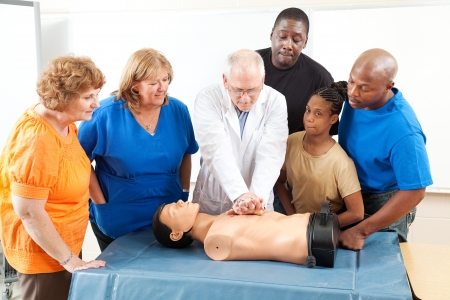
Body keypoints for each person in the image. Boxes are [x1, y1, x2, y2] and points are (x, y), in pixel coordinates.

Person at [0, 55, 106, 300]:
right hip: (43, 255)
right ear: (64, 97)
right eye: (88, 97)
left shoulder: (66, 123)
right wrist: (70, 260)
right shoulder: (37, 139)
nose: (97, 104)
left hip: (62, 245)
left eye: (96, 95)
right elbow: (28, 211)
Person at [78, 48, 198, 251]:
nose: (162, 88)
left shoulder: (178, 110)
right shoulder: (104, 115)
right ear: (134, 84)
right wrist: (100, 204)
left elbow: (187, 152)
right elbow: (80, 162)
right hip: (119, 215)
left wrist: (184, 192)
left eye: (166, 79)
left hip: (168, 216)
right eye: (153, 83)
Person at [338, 48, 433, 250]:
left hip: (384, 202)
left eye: (365, 88)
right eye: (351, 81)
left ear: (388, 86)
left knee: (381, 272)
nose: (353, 92)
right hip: (351, 195)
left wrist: (361, 230)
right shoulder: (353, 98)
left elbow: (416, 191)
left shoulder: (404, 130)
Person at [256, 7, 334, 214]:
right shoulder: (251, 65)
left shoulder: (320, 78)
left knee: (283, 233)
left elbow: (325, 134)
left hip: (290, 173)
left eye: (297, 40)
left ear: (305, 42)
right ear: (272, 34)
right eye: (282, 36)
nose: (287, 45)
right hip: (249, 164)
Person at [192, 49, 288, 215]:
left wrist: (253, 202)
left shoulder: (276, 102)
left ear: (262, 80)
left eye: (252, 90)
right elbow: (216, 151)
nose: (245, 98)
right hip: (215, 200)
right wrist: (240, 195)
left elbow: (271, 155)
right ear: (225, 80)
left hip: (259, 198)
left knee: (255, 239)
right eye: (237, 90)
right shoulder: (207, 99)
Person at [274, 81, 364, 228]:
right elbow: (279, 181)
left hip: (323, 230)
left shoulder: (340, 162)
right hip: (295, 225)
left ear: (333, 119)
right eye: (308, 110)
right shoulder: (292, 141)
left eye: (318, 113)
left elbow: (357, 212)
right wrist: (292, 217)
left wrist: (318, 228)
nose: (309, 118)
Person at [152, 200, 338, 267]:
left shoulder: (223, 218)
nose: (179, 202)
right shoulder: (215, 243)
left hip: (315, 223)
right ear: (176, 234)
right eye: (173, 210)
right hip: (313, 241)